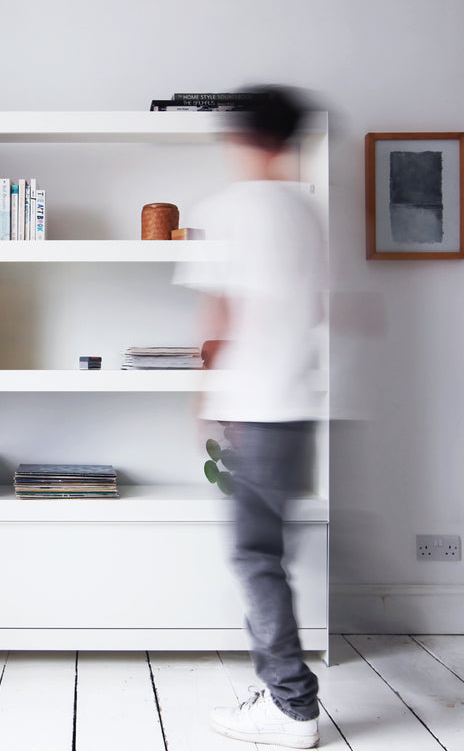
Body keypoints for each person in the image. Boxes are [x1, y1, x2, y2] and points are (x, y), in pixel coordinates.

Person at [175, 85, 326, 749]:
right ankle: (283, 693)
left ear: (240, 138)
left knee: (254, 557)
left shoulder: (229, 209)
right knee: (272, 555)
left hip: (256, 408)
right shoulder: (308, 211)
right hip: (299, 405)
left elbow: (219, 318)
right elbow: (319, 311)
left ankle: (292, 706)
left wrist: (204, 398)